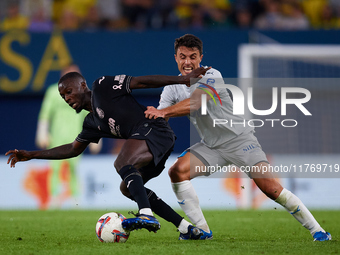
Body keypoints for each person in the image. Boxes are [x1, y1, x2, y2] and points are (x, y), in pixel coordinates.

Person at [144, 34, 331, 241]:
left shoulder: (211, 74)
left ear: (200, 57)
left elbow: (195, 103)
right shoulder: (171, 88)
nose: (187, 62)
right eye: (182, 56)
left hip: (241, 140)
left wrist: (163, 112)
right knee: (177, 171)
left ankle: (318, 231)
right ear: (176, 58)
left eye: (192, 56)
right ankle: (202, 231)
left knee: (271, 188)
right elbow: (160, 121)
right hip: (212, 147)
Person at [6, 67, 210, 239]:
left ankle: (146, 214)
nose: (67, 98)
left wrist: (183, 79)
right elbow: (72, 149)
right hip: (155, 145)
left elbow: (141, 82)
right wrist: (31, 155)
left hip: (156, 129)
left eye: (69, 91)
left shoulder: (102, 86)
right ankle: (186, 228)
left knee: (121, 162)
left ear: (82, 86)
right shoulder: (91, 123)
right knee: (127, 189)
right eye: (63, 96)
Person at [36, 63, 101, 208]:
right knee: (55, 168)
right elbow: (45, 115)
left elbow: (92, 115)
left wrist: (97, 139)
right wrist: (42, 133)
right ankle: (54, 197)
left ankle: (75, 198)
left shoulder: (83, 94)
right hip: (57, 137)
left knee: (74, 168)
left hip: (76, 137)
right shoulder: (53, 92)